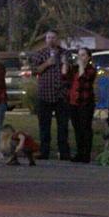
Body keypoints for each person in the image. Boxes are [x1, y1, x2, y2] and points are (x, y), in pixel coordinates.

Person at [29, 30, 70, 160]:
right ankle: (44, 151)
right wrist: (47, 63)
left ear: (58, 39)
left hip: (61, 95)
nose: (51, 40)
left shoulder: (64, 53)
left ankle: (64, 152)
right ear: (46, 40)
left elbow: (69, 71)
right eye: (48, 37)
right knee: (44, 126)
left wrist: (65, 63)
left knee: (62, 126)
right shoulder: (40, 54)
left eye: (53, 37)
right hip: (45, 94)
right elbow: (34, 70)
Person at [64, 47, 97, 163]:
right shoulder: (75, 70)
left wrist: (82, 65)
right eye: (79, 55)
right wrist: (65, 63)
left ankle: (86, 154)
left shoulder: (91, 70)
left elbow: (84, 78)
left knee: (85, 128)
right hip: (74, 103)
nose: (80, 58)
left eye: (83, 55)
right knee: (77, 128)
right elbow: (64, 75)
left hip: (85, 102)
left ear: (88, 57)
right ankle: (79, 152)